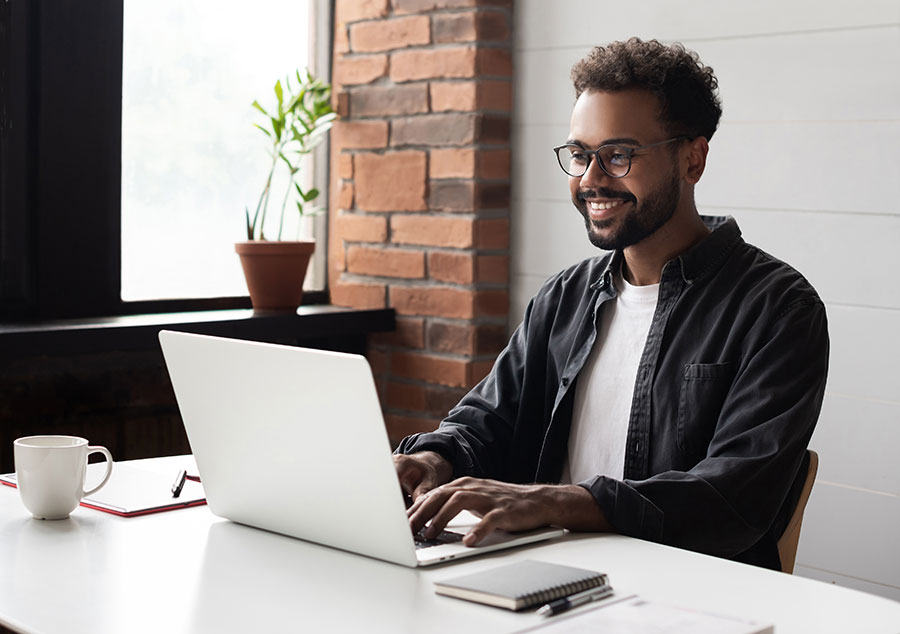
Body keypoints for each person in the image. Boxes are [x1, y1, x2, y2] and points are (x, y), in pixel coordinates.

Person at [394, 38, 829, 571]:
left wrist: (553, 500)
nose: (590, 179)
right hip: (547, 576)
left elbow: (731, 496)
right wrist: (433, 459)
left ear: (692, 159)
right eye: (580, 155)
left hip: (688, 592)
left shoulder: (778, 308)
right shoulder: (564, 297)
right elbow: (488, 421)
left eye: (618, 155)